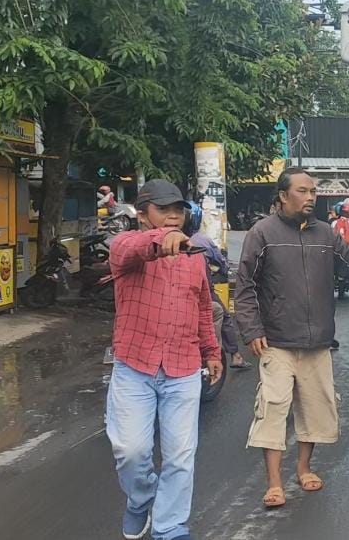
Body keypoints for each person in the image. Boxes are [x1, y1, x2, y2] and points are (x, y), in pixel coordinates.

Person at [235, 167, 349, 509]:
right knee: (273, 408)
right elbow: (244, 287)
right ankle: (274, 482)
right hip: (276, 341)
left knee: (315, 408)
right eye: (303, 191)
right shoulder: (262, 234)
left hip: (318, 342)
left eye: (313, 192)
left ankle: (304, 468)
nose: (310, 197)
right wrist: (251, 330)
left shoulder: (325, 234)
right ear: (282, 195)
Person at [105, 179, 222, 540]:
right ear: (142, 215)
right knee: (131, 450)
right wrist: (160, 241)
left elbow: (203, 309)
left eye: (178, 209)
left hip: (184, 367)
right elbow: (131, 248)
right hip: (134, 367)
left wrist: (212, 351)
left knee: (180, 456)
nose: (173, 215)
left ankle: (170, 527)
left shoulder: (194, 259)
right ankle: (140, 500)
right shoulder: (125, 247)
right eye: (163, 209)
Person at [185, 202, 249, 370]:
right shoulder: (201, 240)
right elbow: (219, 260)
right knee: (223, 315)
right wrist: (222, 268)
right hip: (203, 291)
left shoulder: (162, 241)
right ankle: (235, 355)